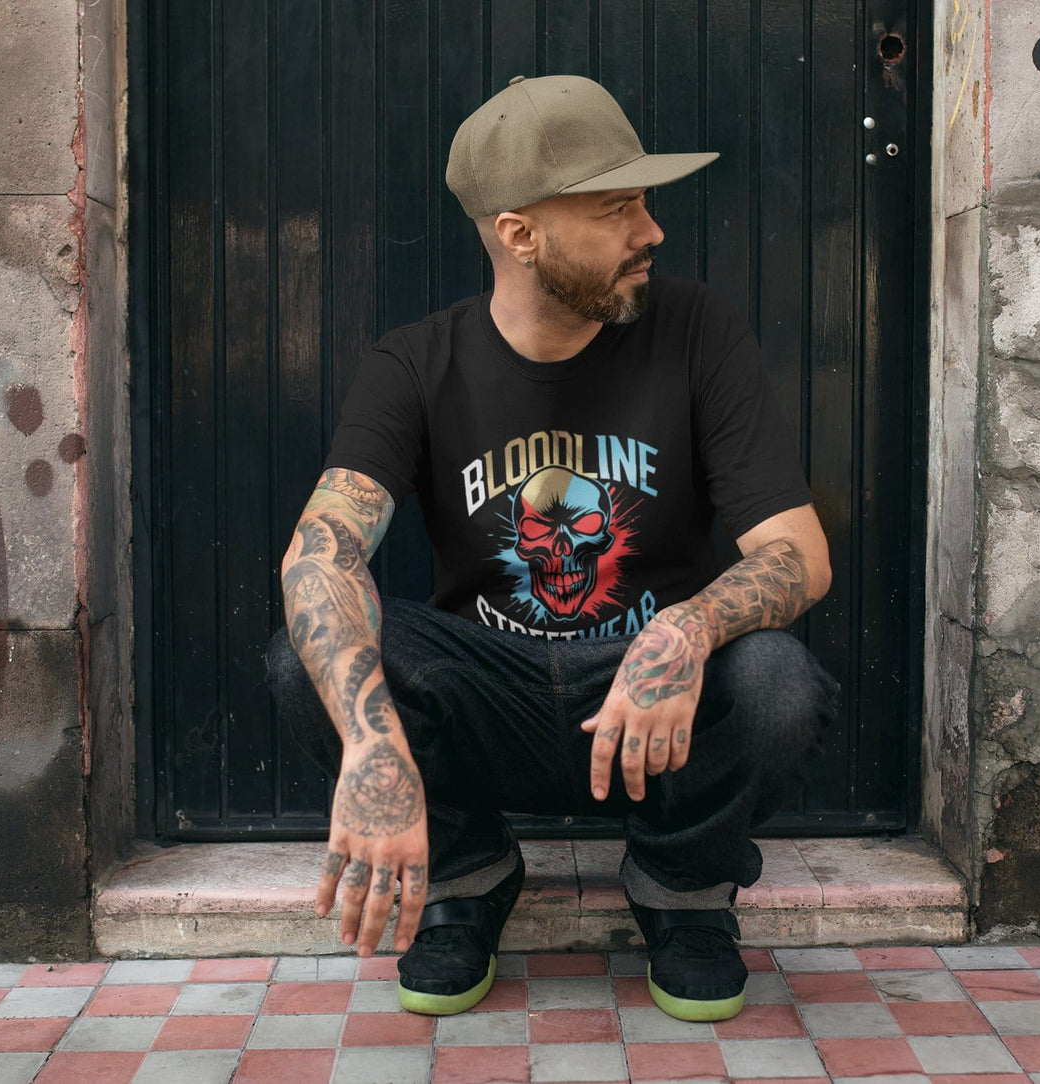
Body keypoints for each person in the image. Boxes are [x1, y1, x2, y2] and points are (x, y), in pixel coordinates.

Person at [267, 74, 838, 1023]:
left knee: (776, 680)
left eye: (645, 204)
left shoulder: (695, 330)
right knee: (308, 658)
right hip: (490, 690)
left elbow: (799, 556)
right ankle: (466, 882)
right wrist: (371, 746)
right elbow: (317, 555)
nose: (650, 231)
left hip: (651, 696)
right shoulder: (414, 364)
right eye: (617, 208)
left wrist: (687, 630)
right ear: (519, 234)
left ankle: (681, 892)